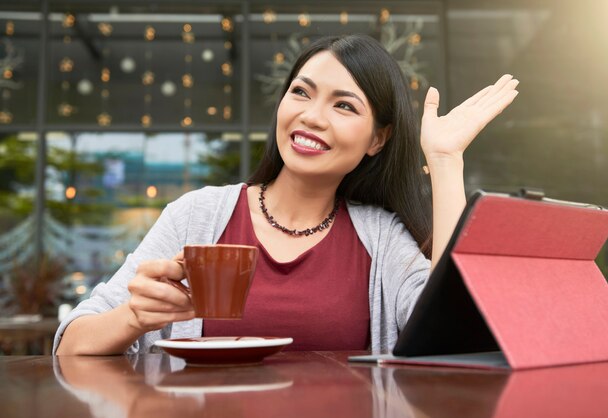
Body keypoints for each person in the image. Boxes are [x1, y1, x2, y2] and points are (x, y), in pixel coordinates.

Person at [54, 34, 518, 355]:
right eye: (301, 92)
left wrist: (444, 161)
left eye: (343, 105)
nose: (312, 116)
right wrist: (135, 317)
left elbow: (447, 335)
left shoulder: (380, 239)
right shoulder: (197, 216)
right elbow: (71, 343)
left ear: (378, 139)